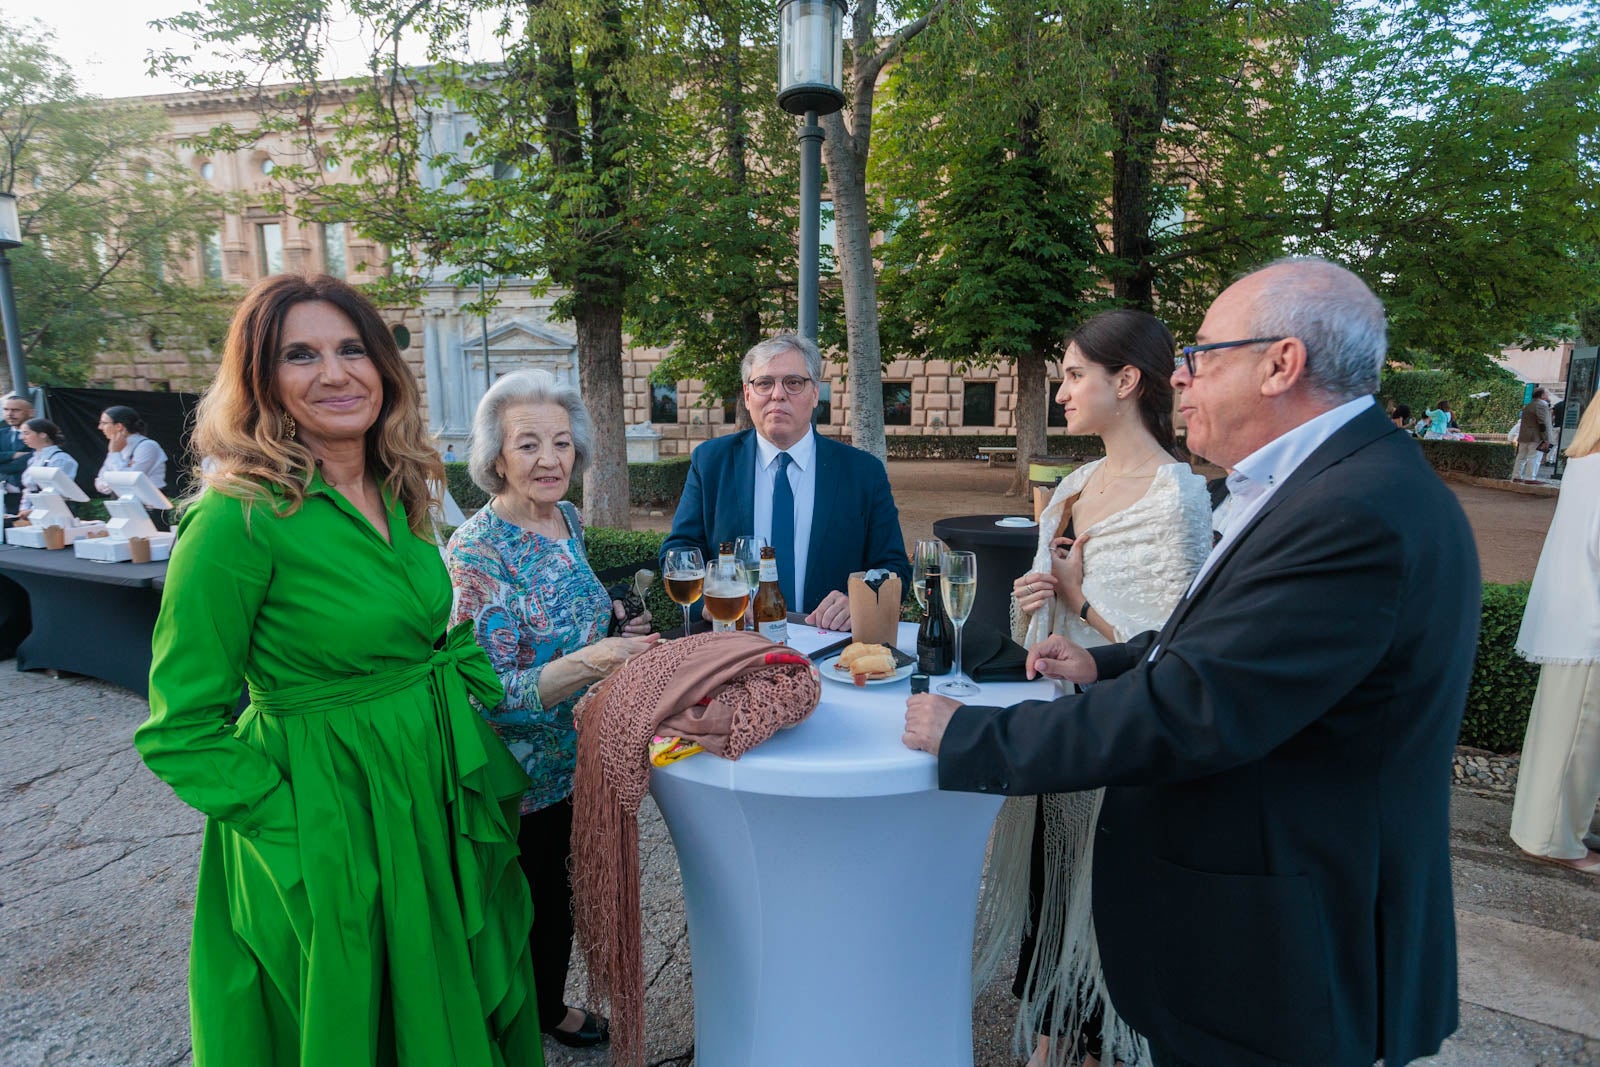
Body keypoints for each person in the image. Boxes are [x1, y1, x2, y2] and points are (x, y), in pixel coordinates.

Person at [905, 257, 1480, 1067]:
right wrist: (1108, 664)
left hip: (1287, 954)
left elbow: (1191, 704)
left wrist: (973, 739)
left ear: (1281, 363)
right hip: (1264, 933)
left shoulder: (1353, 511)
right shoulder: (1324, 485)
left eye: (1200, 356)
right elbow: (1222, 645)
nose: (1179, 379)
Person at [134, 274, 542, 1066]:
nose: (334, 372)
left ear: (384, 366)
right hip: (327, 813)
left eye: (351, 348)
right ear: (262, 379)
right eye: (300, 354)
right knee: (352, 1027)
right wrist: (300, 831)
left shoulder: (404, 488)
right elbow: (180, 728)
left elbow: (429, 640)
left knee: (441, 1010)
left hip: (423, 798)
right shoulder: (234, 518)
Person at [996, 310, 1212, 1067]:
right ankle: (1050, 1039)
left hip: (1119, 750)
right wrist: (1038, 600)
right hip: (1058, 734)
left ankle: (1087, 1048)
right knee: (1048, 896)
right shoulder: (1077, 483)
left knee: (1103, 908)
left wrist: (1078, 600)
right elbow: (1042, 622)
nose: (1061, 389)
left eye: (1075, 373)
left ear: (1126, 381)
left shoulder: (1175, 498)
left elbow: (1175, 660)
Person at [447, 368, 659, 1048]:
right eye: (529, 443)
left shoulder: (565, 517)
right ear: (496, 458)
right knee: (520, 906)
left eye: (562, 443)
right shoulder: (476, 551)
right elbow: (491, 690)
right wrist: (600, 660)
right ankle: (508, 1024)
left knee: (560, 900)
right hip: (517, 778)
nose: (550, 459)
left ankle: (543, 1005)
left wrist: (614, 627)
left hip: (577, 758)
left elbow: (577, 611)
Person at [662, 332, 911, 630]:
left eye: (793, 383)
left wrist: (860, 598)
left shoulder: (862, 473)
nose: (777, 394)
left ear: (816, 393)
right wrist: (709, 602)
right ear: (747, 394)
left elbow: (894, 568)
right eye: (764, 383)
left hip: (830, 646)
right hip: (736, 641)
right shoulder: (711, 462)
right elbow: (679, 550)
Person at [1509, 398, 1600, 874]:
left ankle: (1548, 830)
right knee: (1578, 742)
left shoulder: (1585, 464)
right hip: (1591, 621)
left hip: (1574, 613)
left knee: (1560, 736)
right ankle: (1556, 841)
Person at [94, 404, 168, 494]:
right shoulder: (115, 448)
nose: (100, 427)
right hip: (123, 501)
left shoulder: (147, 446)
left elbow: (128, 481)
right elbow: (100, 483)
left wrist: (114, 454)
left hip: (148, 504)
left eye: (104, 423)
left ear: (119, 426)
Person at [14, 419, 80, 520]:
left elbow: (56, 490)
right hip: (35, 512)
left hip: (56, 511)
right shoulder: (33, 460)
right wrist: (24, 508)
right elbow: (29, 489)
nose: (22, 437)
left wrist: (34, 509)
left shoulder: (60, 458)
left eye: (26, 433)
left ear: (42, 435)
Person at [1, 393, 35, 518]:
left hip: (28, 496)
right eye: (6, 410)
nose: (10, 414)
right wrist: (13, 455)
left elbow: (29, 461)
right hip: (3, 496)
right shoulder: (1, 434)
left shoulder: (39, 434)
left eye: (15, 410)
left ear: (30, 412)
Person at [1511, 387, 1555, 482]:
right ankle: (1530, 477)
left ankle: (1516, 476)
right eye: (1547, 394)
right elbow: (1543, 423)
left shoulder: (1529, 405)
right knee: (1534, 457)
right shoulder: (1541, 405)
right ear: (1542, 395)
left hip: (1524, 435)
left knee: (1521, 457)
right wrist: (1546, 438)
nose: (1549, 395)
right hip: (1536, 436)